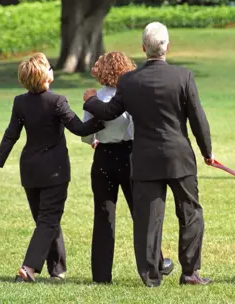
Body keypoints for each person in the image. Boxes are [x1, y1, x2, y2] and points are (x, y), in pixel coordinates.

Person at [82, 22, 214, 287]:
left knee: (148, 220)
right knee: (190, 213)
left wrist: (91, 100)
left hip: (144, 159)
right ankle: (189, 273)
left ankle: (151, 277)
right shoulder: (184, 77)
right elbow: (198, 119)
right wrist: (207, 151)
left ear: (144, 48)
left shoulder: (129, 81)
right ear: (167, 46)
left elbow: (108, 114)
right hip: (179, 157)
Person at [0, 52, 104, 282]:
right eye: (49, 67)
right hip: (55, 171)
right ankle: (28, 268)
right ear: (45, 77)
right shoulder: (57, 101)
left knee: (47, 219)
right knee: (48, 220)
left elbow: (11, 135)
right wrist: (104, 118)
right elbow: (79, 128)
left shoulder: (20, 102)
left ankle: (57, 269)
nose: (52, 69)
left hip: (29, 171)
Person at [81, 51, 174, 284]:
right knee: (141, 213)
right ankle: (156, 262)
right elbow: (134, 129)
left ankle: (101, 275)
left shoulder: (94, 97)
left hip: (103, 158)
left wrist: (95, 140)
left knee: (104, 216)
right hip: (130, 156)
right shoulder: (132, 97)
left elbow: (87, 134)